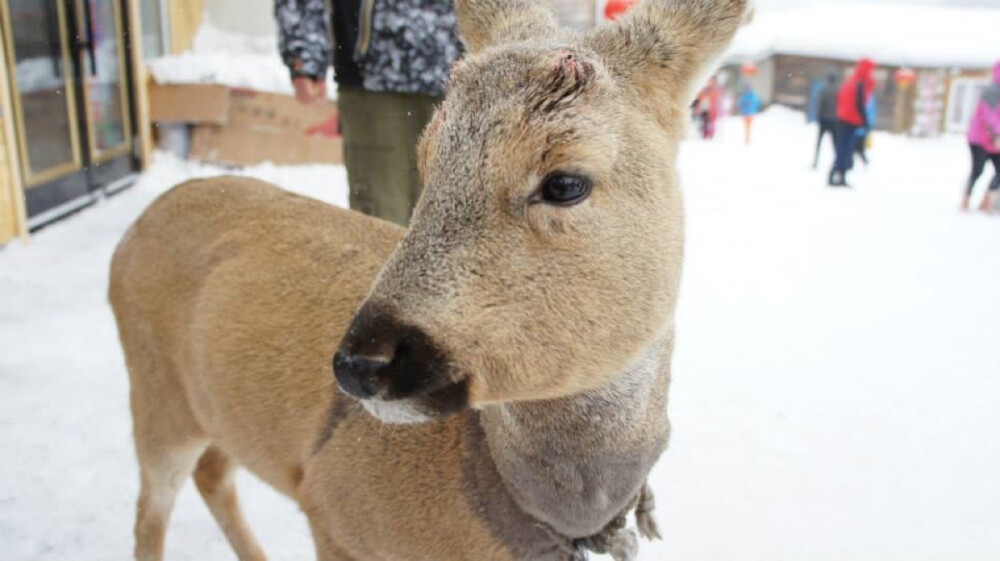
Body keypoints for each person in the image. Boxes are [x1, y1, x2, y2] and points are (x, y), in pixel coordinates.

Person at [276, 0, 462, 226]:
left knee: (463, 233)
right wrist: (303, 49)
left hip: (468, 77)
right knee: (379, 229)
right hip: (372, 80)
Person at [830, 59, 877, 187]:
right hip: (850, 120)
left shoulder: (852, 80)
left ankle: (834, 175)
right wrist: (864, 121)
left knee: (842, 149)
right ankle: (840, 176)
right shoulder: (860, 83)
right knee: (846, 149)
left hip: (842, 118)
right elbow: (859, 103)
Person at [961, 61, 1000, 212]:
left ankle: (988, 199)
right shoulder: (993, 91)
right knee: (978, 170)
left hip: (995, 140)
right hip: (981, 139)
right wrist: (997, 135)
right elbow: (988, 115)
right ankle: (967, 196)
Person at [812, 72, 840, 169]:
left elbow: (819, 104)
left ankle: (815, 161)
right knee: (835, 143)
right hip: (834, 120)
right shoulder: (838, 90)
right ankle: (837, 162)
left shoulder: (823, 89)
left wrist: (819, 117)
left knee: (819, 142)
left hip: (824, 120)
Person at [853, 94, 877, 167]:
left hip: (859, 127)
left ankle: (863, 161)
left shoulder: (868, 99)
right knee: (857, 148)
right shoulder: (870, 98)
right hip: (859, 127)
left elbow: (871, 113)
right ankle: (862, 161)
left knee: (858, 148)